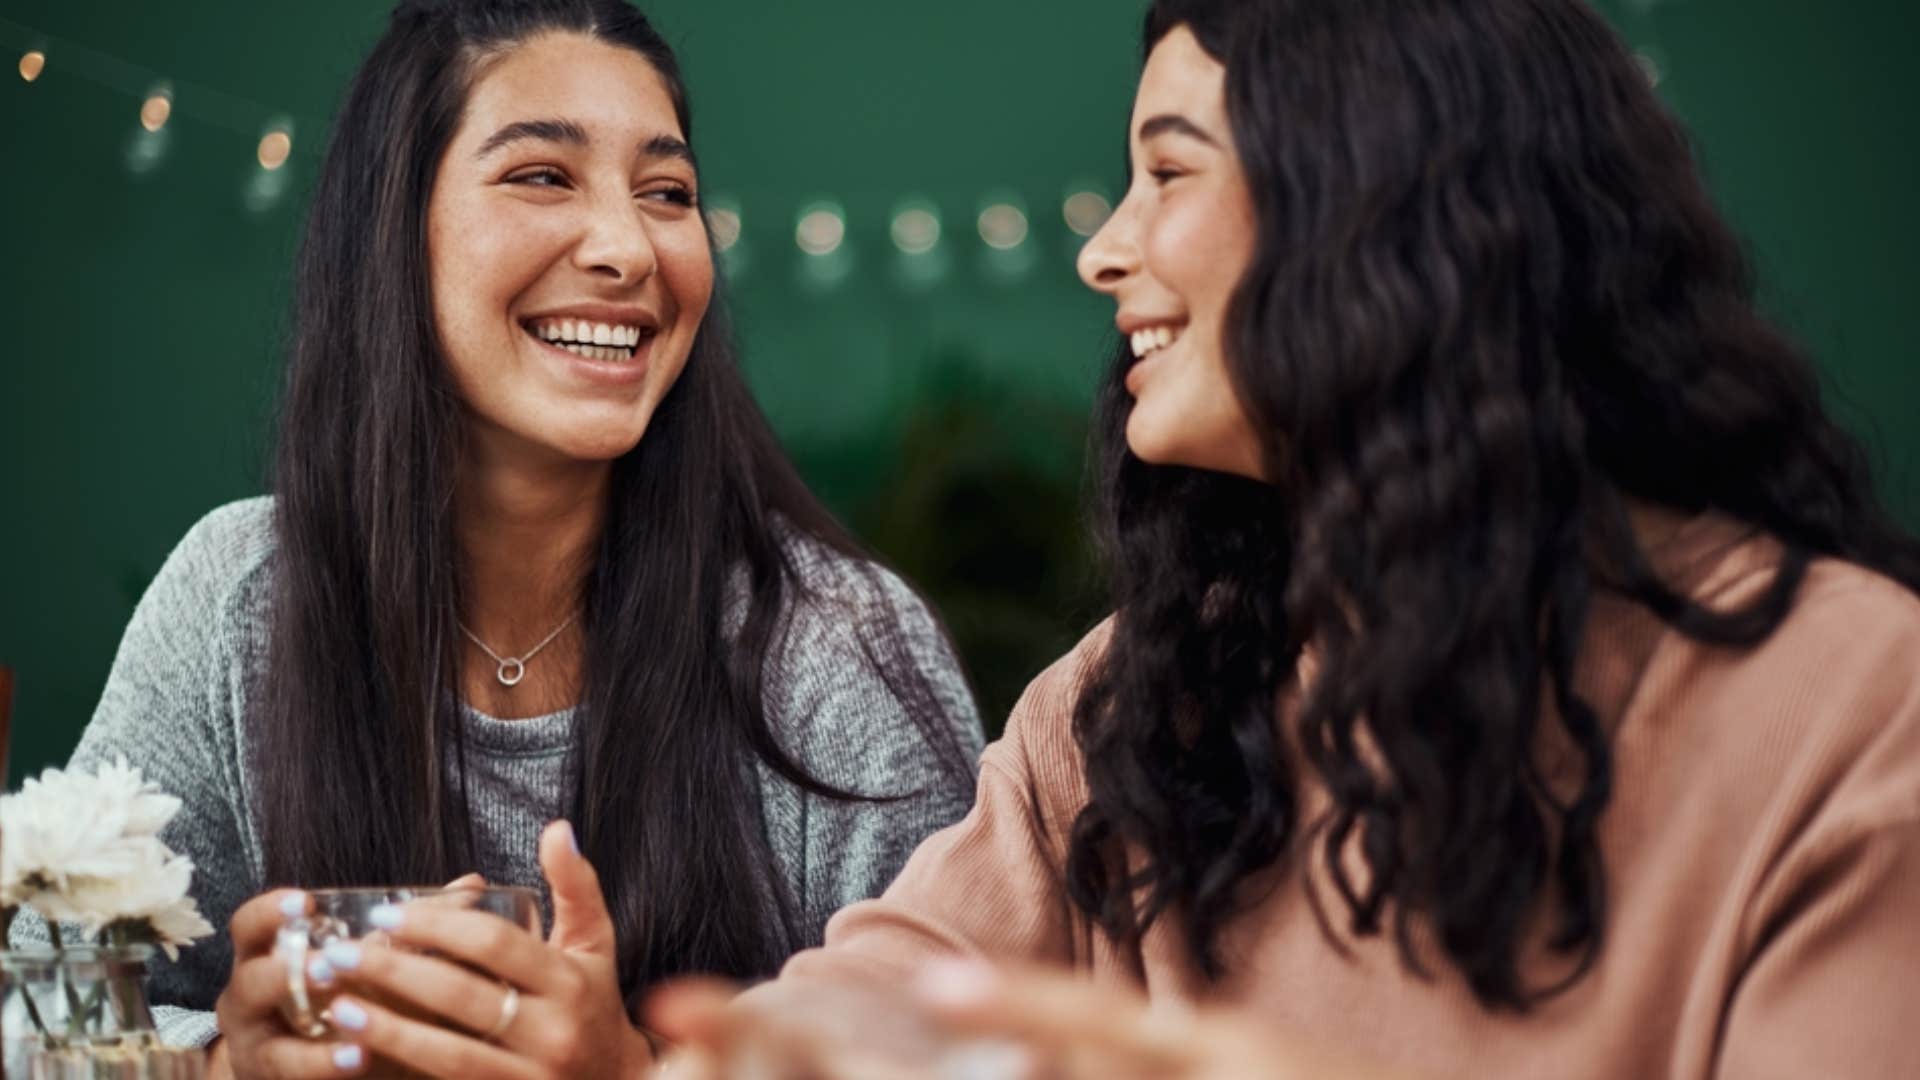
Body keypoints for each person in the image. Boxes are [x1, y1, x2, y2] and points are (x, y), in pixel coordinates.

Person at [644, 0, 1920, 1076]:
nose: (1104, 249)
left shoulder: (1851, 707)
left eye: (1171, 169)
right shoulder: (1130, 703)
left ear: (1385, 208)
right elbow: (884, 997)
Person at [8, 1, 982, 1077]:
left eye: (667, 194)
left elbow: (968, 1058)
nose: (626, 248)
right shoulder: (243, 599)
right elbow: (38, 1016)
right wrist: (231, 1061)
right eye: (543, 176)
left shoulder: (835, 650)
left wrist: (635, 1072)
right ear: (395, 224)